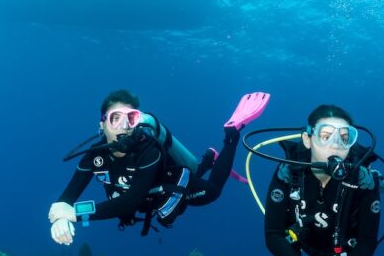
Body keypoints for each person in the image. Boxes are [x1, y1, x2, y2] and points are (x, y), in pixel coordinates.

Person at [49, 89, 268, 244]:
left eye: (132, 118)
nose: (124, 126)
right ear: (102, 124)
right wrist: (60, 218)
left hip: (170, 185)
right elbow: (65, 200)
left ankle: (232, 133)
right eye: (116, 118)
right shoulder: (93, 157)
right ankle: (208, 160)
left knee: (212, 192)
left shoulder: (149, 151)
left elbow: (131, 201)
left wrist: (73, 215)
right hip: (146, 197)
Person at [264, 105, 381, 256]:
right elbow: (273, 234)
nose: (336, 145)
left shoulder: (363, 180)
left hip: (341, 254)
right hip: (303, 244)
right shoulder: (289, 171)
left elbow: (367, 242)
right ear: (307, 140)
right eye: (326, 135)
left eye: (344, 138)